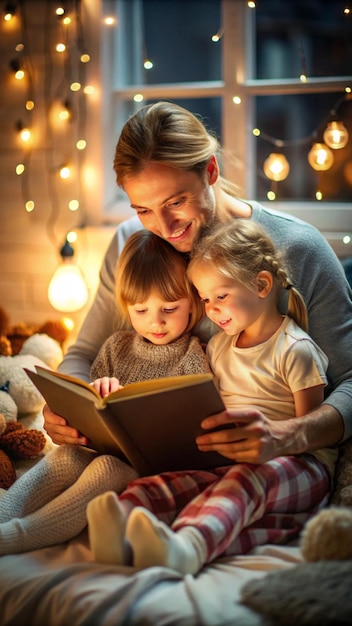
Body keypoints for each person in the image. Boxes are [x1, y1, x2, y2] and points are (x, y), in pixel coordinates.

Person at [43, 100, 352, 466]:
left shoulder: (298, 248)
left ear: (211, 170)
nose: (165, 227)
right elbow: (82, 355)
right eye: (143, 209)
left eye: (177, 201)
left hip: (263, 464)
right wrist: (66, 410)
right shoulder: (134, 244)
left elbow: (348, 379)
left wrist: (289, 435)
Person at [87, 219, 334, 575]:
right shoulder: (218, 347)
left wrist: (267, 448)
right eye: (205, 299)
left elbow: (305, 436)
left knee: (244, 482)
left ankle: (190, 544)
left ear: (262, 285)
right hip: (233, 463)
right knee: (160, 485)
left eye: (221, 296)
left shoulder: (294, 350)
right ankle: (120, 529)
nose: (211, 309)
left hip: (299, 467)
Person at [0, 230, 210, 555]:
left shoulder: (194, 356)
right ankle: (4, 514)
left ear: (193, 302)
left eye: (169, 309)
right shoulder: (116, 346)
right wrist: (97, 393)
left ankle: (21, 535)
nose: (155, 322)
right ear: (127, 306)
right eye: (141, 311)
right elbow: (91, 402)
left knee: (107, 470)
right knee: (67, 456)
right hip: (101, 449)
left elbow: (193, 422)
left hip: (147, 467)